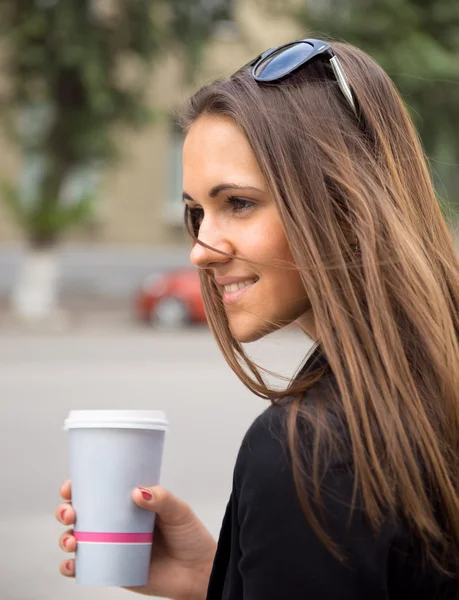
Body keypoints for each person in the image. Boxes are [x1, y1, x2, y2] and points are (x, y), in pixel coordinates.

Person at [55, 38, 459, 599]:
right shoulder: (432, 384)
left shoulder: (307, 454)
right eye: (196, 212)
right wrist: (217, 576)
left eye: (237, 203)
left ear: (343, 201)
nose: (201, 247)